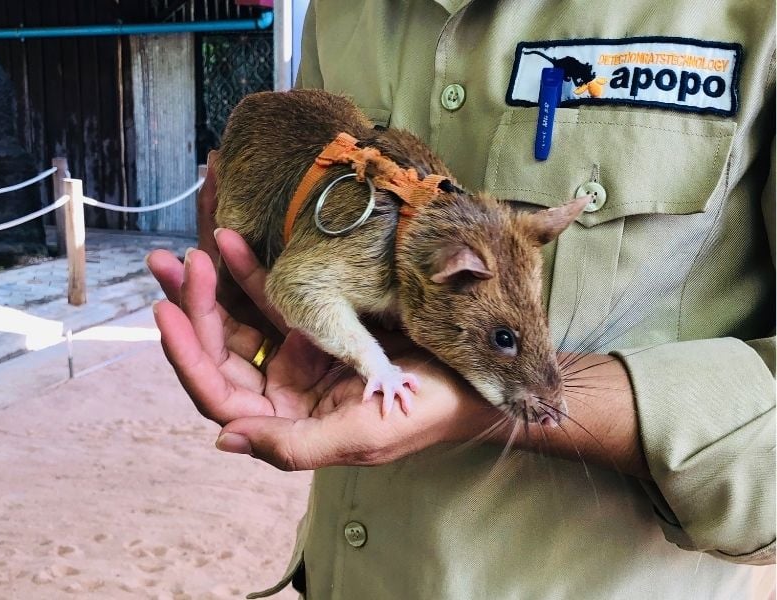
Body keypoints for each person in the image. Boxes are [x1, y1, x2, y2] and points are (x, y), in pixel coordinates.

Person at [148, 1, 776, 598]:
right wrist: (270, 315)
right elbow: (294, 269)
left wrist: (465, 405)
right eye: (503, 341)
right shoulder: (340, 12)